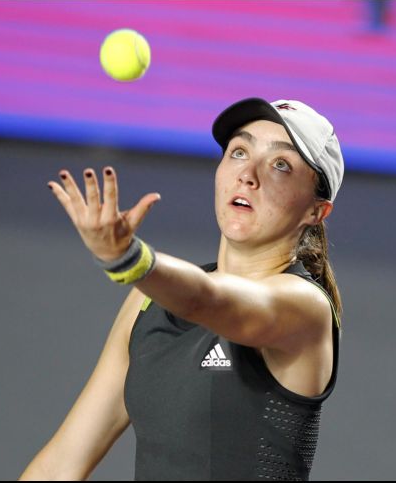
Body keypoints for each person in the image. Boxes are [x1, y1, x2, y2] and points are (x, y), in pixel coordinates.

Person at [19, 97, 345, 481]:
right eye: (239, 152)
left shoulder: (304, 308)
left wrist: (129, 258)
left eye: (280, 165)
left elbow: (207, 299)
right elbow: (62, 464)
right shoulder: (146, 301)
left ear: (315, 211)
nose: (248, 175)